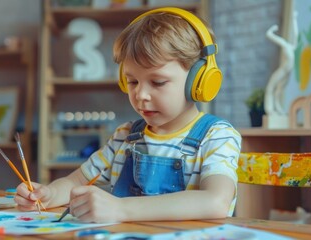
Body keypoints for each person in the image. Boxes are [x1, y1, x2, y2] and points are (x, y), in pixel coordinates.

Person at [15, 7, 242, 223]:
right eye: (132, 81)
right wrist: (49, 194)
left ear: (199, 80)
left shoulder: (217, 136)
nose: (141, 94)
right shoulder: (126, 136)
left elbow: (216, 201)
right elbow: (77, 181)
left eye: (158, 82)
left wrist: (120, 209)